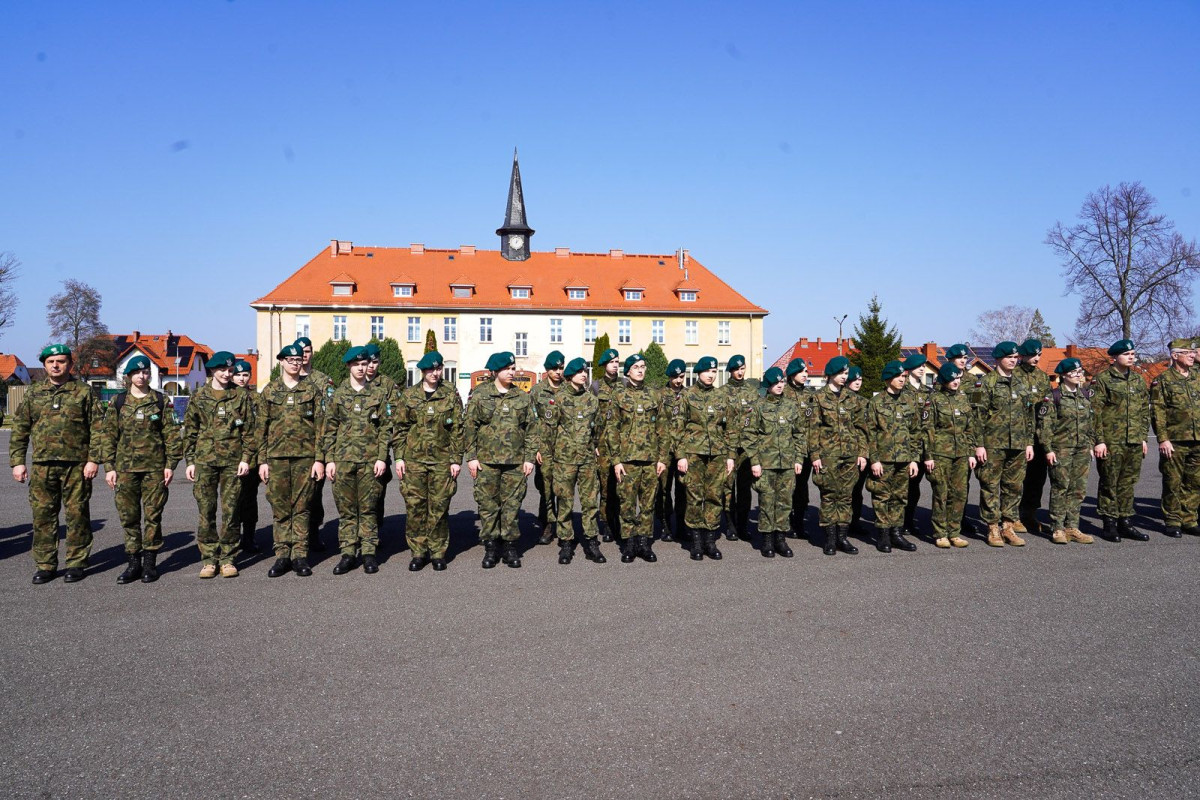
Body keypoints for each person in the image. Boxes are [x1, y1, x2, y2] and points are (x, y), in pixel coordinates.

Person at [10, 344, 102, 584]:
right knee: (43, 516)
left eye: (61, 361)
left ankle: (76, 562)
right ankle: (46, 564)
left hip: (76, 465)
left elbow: (98, 428)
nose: (56, 365)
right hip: (42, 465)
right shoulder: (33, 393)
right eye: (51, 362)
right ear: (44, 366)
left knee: (77, 515)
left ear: (70, 365)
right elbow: (20, 429)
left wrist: (93, 459)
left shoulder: (83, 391)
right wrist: (17, 462)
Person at [98, 355, 181, 583]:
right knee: (129, 516)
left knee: (153, 516)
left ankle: (150, 564)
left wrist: (170, 465)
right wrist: (109, 467)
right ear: (129, 376)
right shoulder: (118, 402)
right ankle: (133, 562)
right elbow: (109, 436)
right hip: (125, 469)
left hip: (155, 469)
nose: (142, 376)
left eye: (146, 373)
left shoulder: (161, 401)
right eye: (137, 373)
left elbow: (172, 435)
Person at [182, 351, 256, 578]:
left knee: (231, 510)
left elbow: (249, 432)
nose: (227, 374)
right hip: (205, 461)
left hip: (233, 462)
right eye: (223, 370)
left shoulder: (240, 396)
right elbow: (190, 431)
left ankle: (228, 558)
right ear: (213, 370)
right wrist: (190, 461)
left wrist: (246, 459)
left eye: (231, 370)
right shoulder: (199, 396)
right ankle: (208, 559)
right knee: (206, 510)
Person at [256, 344, 326, 578]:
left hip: (305, 458)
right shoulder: (270, 391)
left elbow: (321, 427)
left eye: (299, 359)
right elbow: (261, 428)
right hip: (276, 459)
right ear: (282, 362)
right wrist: (262, 461)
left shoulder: (312, 390)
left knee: (303, 507)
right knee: (280, 508)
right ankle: (282, 555)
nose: (295, 363)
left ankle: (300, 555)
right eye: (291, 359)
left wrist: (319, 459)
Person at [322, 346, 391, 575]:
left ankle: (369, 552)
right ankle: (348, 553)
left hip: (371, 462)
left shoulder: (377, 395)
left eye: (365, 364)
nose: (362, 368)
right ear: (349, 366)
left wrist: (382, 458)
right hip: (343, 461)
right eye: (357, 365)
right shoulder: (337, 395)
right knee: (347, 510)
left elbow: (385, 429)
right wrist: (329, 459)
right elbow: (329, 429)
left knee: (369, 508)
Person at [393, 350, 464, 572]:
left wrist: (456, 459)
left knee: (439, 506)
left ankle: (438, 552)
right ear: (422, 371)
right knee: (415, 507)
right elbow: (400, 429)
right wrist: (399, 457)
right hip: (414, 461)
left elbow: (457, 429)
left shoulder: (450, 393)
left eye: (438, 368)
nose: (435, 373)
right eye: (431, 369)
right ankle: (418, 552)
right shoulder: (409, 396)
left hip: (442, 460)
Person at [465, 352, 537, 569]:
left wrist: (529, 458)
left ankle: (510, 546)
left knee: (512, 506)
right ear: (495, 371)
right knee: (487, 507)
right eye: (507, 368)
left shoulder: (522, 397)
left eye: (513, 368)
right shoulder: (480, 395)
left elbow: (532, 429)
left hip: (515, 463)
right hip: (486, 461)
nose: (511, 372)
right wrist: (471, 457)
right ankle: (490, 546)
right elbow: (470, 427)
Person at [536, 357, 606, 564]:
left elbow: (597, 428)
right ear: (569, 376)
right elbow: (548, 432)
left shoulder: (591, 400)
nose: (584, 375)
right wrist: (547, 458)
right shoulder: (557, 399)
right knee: (564, 503)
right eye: (579, 372)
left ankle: (591, 542)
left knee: (590, 503)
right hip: (563, 460)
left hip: (586, 460)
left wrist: (595, 447)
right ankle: (566, 543)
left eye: (585, 372)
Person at [606, 353, 668, 563]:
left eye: (643, 366)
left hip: (650, 460)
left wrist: (662, 459)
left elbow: (663, 430)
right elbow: (611, 429)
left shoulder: (655, 395)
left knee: (648, 504)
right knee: (627, 504)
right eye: (636, 367)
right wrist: (615, 460)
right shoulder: (619, 395)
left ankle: (644, 543)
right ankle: (629, 544)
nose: (640, 370)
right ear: (628, 371)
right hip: (627, 460)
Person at [973, 342, 1033, 547]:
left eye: (1016, 357)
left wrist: (1029, 442)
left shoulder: (1021, 383)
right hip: (992, 444)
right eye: (1009, 357)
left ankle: (1008, 527)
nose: (1014, 360)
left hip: (1017, 444)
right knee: (990, 485)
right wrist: (978, 444)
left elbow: (1029, 415)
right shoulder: (984, 383)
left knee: (1013, 486)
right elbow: (976, 416)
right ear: (998, 358)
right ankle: (992, 527)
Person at [676, 356, 735, 560]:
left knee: (715, 496)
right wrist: (681, 455)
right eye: (707, 372)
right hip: (693, 454)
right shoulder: (687, 396)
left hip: (718, 454)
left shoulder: (722, 397)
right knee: (694, 496)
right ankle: (696, 542)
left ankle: (710, 541)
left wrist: (730, 455)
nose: (711, 375)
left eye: (714, 372)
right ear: (698, 373)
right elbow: (678, 428)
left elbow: (731, 429)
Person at [1091, 339, 1150, 542]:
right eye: (1127, 354)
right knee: (1109, 482)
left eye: (1133, 354)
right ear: (1115, 357)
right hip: (1111, 441)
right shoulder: (1103, 379)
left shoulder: (1138, 380)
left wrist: (1143, 437)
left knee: (1128, 483)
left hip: (1133, 440)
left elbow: (1144, 411)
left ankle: (1125, 521)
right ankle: (1109, 523)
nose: (1131, 357)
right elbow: (1095, 413)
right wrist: (1099, 440)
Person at [810, 356, 867, 555]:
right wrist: (815, 455)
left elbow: (861, 428)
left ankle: (843, 537)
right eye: (841, 374)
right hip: (828, 455)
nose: (845, 377)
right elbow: (812, 429)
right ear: (831, 374)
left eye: (846, 374)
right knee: (829, 495)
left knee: (846, 496)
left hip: (850, 455)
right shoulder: (817, 398)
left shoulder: (852, 399)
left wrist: (862, 453)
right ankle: (830, 539)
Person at [746, 366, 804, 558]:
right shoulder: (758, 407)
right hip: (766, 463)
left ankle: (781, 538)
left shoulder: (790, 406)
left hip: (787, 463)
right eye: (776, 382)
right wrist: (754, 461)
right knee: (767, 501)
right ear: (768, 384)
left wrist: (799, 459)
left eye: (782, 382)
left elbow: (799, 434)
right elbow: (749, 436)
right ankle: (767, 540)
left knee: (785, 502)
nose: (780, 386)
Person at [862, 361, 920, 553]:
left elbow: (915, 432)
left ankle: (896, 533)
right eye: (898, 377)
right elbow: (869, 433)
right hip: (883, 459)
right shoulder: (876, 403)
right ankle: (883, 535)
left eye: (904, 377)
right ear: (888, 379)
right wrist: (874, 459)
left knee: (900, 497)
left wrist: (914, 458)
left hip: (904, 458)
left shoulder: (910, 401)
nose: (902, 380)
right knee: (882, 497)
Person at [1039, 358, 1097, 545]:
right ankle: (1057, 527)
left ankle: (1072, 526)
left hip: (1081, 449)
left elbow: (1090, 424)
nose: (1079, 375)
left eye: (1080, 371)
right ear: (1064, 375)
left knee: (1078, 489)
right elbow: (1045, 426)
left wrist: (1090, 444)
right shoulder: (1054, 397)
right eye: (1075, 372)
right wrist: (1048, 449)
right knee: (1060, 487)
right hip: (1061, 448)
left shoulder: (1085, 395)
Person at [1149, 339, 1200, 538]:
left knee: (1195, 481)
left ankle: (1189, 519)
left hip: (1198, 439)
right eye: (1187, 352)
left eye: (1193, 351)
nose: (1192, 355)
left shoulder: (1197, 376)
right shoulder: (1163, 380)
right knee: (1173, 482)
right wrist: (1163, 439)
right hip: (1175, 439)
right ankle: (1172, 520)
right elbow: (1158, 412)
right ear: (1174, 355)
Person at [922, 363, 975, 549]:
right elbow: (927, 430)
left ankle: (954, 532)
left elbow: (969, 428)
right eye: (953, 378)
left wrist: (970, 452)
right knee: (941, 493)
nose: (956, 381)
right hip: (940, 454)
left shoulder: (963, 398)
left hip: (960, 453)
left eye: (959, 378)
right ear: (944, 380)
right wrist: (928, 456)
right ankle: (940, 533)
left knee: (959, 494)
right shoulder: (933, 400)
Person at [295, 336, 335, 552]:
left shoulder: (322, 381)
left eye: (307, 352)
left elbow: (330, 415)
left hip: (314, 447)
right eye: (300, 353)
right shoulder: (288, 380)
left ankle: (313, 532)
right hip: (291, 448)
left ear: (312, 353)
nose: (303, 356)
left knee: (314, 495)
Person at [719, 354, 758, 541]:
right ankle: (730, 525)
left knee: (744, 489)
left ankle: (742, 525)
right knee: (728, 488)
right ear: (730, 371)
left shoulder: (752, 392)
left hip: (747, 448)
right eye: (736, 369)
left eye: (742, 368)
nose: (740, 372)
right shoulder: (722, 392)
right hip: (728, 447)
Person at [1016, 338, 1053, 534]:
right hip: (1018, 435)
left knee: (1037, 478)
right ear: (1023, 355)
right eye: (1032, 355)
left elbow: (1046, 407)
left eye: (1039, 355)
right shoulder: (1014, 375)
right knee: (1015, 478)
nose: (1037, 358)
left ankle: (1029, 514)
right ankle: (1012, 516)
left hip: (1039, 436)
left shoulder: (1042, 377)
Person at [364, 341, 400, 538]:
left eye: (375, 362)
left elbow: (394, 414)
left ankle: (374, 533)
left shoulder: (388, 385)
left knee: (377, 495)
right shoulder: (353, 382)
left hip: (379, 448)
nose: (370, 366)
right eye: (367, 361)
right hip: (355, 450)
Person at [945, 343, 982, 536]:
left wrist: (976, 443)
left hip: (965, 439)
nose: (962, 360)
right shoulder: (942, 380)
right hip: (946, 441)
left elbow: (976, 412)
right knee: (944, 485)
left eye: (965, 357)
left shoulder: (973, 381)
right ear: (949, 359)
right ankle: (944, 521)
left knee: (962, 484)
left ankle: (961, 518)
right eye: (958, 358)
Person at [530, 350, 566, 544]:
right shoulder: (537, 391)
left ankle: (562, 523)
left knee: (563, 486)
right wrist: (535, 447)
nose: (558, 372)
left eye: (561, 368)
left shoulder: (570, 389)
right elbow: (531, 421)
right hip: (544, 447)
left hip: (564, 448)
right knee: (545, 487)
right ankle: (547, 523)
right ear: (547, 370)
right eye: (554, 368)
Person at [654, 359, 688, 542]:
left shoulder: (688, 395)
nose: (678, 380)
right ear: (669, 376)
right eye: (675, 376)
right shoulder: (659, 395)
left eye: (681, 376)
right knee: (663, 490)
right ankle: (665, 524)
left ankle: (682, 526)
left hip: (684, 451)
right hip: (665, 451)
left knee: (683, 489)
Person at [590, 347, 622, 541]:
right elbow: (591, 416)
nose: (615, 365)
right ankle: (606, 523)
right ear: (604, 365)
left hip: (621, 443)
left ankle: (619, 520)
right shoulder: (595, 387)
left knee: (621, 485)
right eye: (612, 362)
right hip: (602, 444)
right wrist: (593, 442)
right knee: (604, 486)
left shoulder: (625, 385)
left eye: (617, 362)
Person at [230, 359, 261, 553]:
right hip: (231, 456)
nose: (242, 378)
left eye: (245, 375)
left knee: (250, 499)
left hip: (252, 457)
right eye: (238, 375)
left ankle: (248, 537)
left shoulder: (256, 398)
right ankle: (231, 539)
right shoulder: (228, 397)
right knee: (232, 500)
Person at [899, 353, 931, 537]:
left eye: (924, 366)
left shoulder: (929, 392)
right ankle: (902, 522)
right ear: (909, 369)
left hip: (925, 445)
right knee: (906, 486)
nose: (922, 369)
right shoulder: (903, 392)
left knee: (916, 487)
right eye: (918, 366)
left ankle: (911, 520)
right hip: (908, 445)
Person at [785, 358, 816, 539]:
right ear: (792, 374)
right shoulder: (784, 394)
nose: (805, 375)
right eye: (802, 372)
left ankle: (799, 522)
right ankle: (786, 522)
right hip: (788, 449)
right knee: (788, 487)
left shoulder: (809, 395)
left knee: (802, 488)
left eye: (806, 372)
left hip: (806, 449)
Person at [844, 366, 869, 535]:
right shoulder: (840, 401)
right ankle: (842, 524)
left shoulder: (865, 403)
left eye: (860, 380)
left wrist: (864, 453)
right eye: (854, 380)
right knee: (844, 491)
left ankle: (855, 522)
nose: (858, 383)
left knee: (857, 491)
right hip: (844, 452)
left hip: (861, 452)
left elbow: (867, 431)